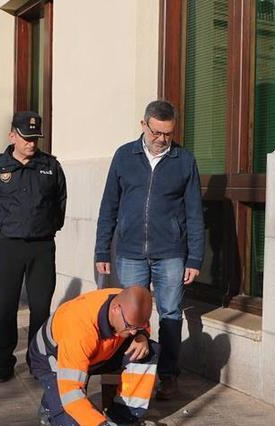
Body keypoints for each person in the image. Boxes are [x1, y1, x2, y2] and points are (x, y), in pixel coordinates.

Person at [94, 100, 204, 400]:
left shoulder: (184, 160)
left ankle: (167, 374)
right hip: (130, 252)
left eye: (168, 134)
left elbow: (195, 212)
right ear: (144, 125)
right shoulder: (124, 156)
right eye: (156, 132)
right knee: (132, 316)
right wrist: (102, 250)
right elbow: (109, 206)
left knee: (169, 313)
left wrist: (194, 257)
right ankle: (133, 373)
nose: (161, 139)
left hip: (170, 252)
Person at [0, 111, 67, 383]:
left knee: (41, 309)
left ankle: (37, 361)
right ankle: (4, 363)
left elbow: (60, 204)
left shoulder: (50, 166)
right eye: (26, 138)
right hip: (9, 247)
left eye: (36, 138)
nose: (32, 143)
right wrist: (5, 229)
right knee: (6, 307)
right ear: (12, 136)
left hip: (42, 247)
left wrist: (47, 229)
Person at [30, 286, 160, 426]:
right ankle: (50, 401)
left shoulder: (126, 305)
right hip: (52, 360)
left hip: (96, 354)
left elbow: (139, 323)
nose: (133, 332)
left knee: (147, 350)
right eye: (130, 327)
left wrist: (142, 335)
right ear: (115, 309)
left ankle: (124, 418)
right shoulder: (79, 329)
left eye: (139, 326)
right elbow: (72, 392)